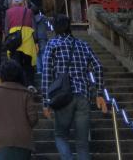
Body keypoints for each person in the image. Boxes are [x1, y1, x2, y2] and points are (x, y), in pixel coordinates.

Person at [42, 13, 107, 160]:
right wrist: (99, 93)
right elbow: (98, 66)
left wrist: (46, 102)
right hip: (83, 95)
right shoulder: (83, 44)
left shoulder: (52, 45)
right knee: (82, 143)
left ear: (55, 28)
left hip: (63, 97)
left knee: (60, 135)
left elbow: (47, 74)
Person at [0, 59, 38, 160]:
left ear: (2, 75)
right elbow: (33, 119)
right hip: (23, 143)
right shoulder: (26, 93)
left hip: (1, 144)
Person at [4, 0, 37, 92]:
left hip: (14, 39)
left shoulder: (8, 12)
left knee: (15, 63)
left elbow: (6, 28)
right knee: (28, 64)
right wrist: (36, 41)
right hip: (27, 39)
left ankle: (17, 84)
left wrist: (7, 39)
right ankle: (30, 84)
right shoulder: (29, 11)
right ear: (22, 3)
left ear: (13, 3)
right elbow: (34, 27)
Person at [30, 5, 50, 75]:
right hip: (43, 36)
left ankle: (39, 70)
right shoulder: (44, 17)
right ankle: (45, 69)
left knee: (37, 53)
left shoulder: (31, 19)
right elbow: (48, 26)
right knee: (44, 52)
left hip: (34, 37)